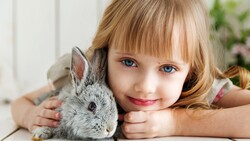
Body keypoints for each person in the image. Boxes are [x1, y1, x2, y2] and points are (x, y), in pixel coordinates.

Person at [12, 0, 250, 139]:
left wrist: (176, 123)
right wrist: (31, 116)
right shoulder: (92, 79)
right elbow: (21, 101)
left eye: (168, 68)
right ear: (105, 52)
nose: (145, 86)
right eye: (128, 62)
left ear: (191, 69)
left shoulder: (198, 87)